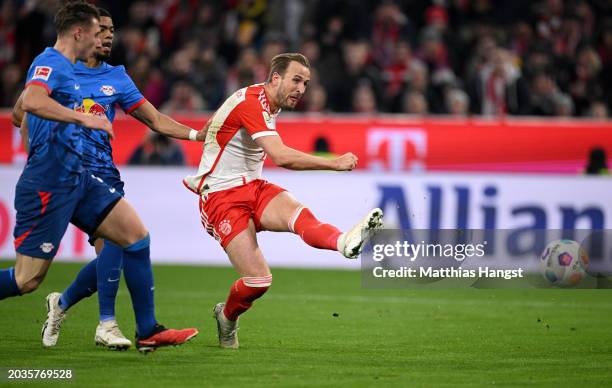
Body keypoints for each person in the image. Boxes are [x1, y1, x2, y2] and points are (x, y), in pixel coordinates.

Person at [1, 2, 197, 353]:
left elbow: (23, 112)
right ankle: (94, 317)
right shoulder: (53, 62)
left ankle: (147, 329)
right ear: (79, 32)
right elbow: (28, 102)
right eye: (98, 31)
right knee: (26, 279)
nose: (104, 37)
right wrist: (83, 120)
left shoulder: (92, 72)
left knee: (135, 237)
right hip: (49, 184)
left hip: (82, 177)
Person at [183, 53, 383, 349]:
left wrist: (210, 133)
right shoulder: (253, 102)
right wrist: (333, 163)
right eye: (296, 80)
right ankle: (226, 317)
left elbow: (218, 122)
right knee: (258, 281)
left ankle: (344, 242)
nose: (302, 89)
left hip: (253, 187)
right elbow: (281, 156)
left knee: (300, 217)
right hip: (221, 198)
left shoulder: (263, 101)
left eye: (306, 83)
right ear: (275, 78)